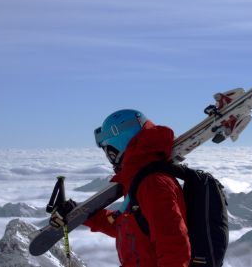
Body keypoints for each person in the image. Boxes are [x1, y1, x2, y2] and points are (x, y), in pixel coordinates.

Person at [53, 109, 191, 267]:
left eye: (107, 149)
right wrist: (81, 212)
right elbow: (128, 227)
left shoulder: (152, 183)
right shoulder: (138, 180)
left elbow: (174, 249)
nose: (108, 156)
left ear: (117, 143)